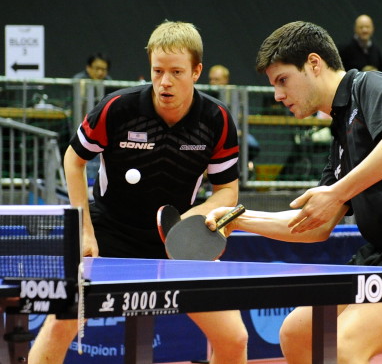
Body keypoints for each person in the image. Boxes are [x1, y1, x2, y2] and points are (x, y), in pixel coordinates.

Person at [206, 21, 382, 364]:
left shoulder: (369, 85)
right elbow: (316, 224)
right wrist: (241, 220)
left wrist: (336, 192)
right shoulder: (341, 136)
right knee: (296, 334)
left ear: (314, 64)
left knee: (344, 348)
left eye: (282, 80)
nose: (277, 95)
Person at [29, 21, 248, 364]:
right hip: (109, 232)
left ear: (197, 71)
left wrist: (187, 223)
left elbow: (227, 193)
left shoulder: (216, 119)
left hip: (177, 241)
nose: (165, 81)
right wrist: (84, 230)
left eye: (177, 71)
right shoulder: (118, 108)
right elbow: (73, 159)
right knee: (59, 325)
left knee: (234, 338)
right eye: (157, 70)